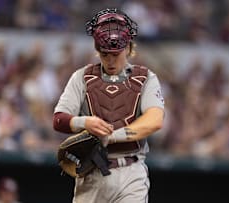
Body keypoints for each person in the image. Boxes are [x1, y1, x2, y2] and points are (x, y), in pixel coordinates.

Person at [53, 8, 165, 203]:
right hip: (91, 175)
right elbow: (59, 119)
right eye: (105, 54)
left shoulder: (146, 77)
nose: (111, 60)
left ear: (129, 47)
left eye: (116, 53)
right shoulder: (82, 77)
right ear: (97, 50)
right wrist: (84, 122)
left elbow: (154, 120)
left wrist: (111, 136)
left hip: (130, 172)